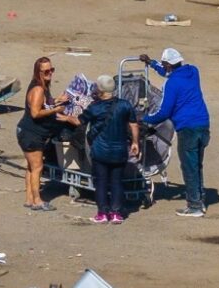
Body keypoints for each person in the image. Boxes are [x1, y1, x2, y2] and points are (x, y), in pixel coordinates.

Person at [139, 48, 211, 217]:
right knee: (197, 165)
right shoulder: (193, 71)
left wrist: (145, 119)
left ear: (168, 64)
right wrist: (152, 64)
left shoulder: (172, 84)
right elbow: (169, 72)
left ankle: (194, 206)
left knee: (189, 167)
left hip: (188, 129)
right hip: (203, 124)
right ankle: (200, 199)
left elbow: (164, 112)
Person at [79, 75, 140, 224]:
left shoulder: (94, 107)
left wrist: (64, 117)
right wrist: (135, 142)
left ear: (100, 90)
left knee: (101, 182)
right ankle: (116, 213)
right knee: (117, 182)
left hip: (100, 151)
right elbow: (134, 124)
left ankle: (102, 213)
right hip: (119, 151)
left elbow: (79, 121)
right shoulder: (125, 105)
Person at [16, 57, 71, 212]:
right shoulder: (38, 89)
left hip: (27, 132)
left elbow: (43, 103)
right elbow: (35, 112)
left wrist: (56, 100)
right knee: (38, 167)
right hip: (31, 134)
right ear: (38, 72)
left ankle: (29, 198)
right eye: (46, 71)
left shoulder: (42, 86)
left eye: (51, 70)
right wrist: (55, 110)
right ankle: (37, 201)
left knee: (31, 167)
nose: (50, 73)